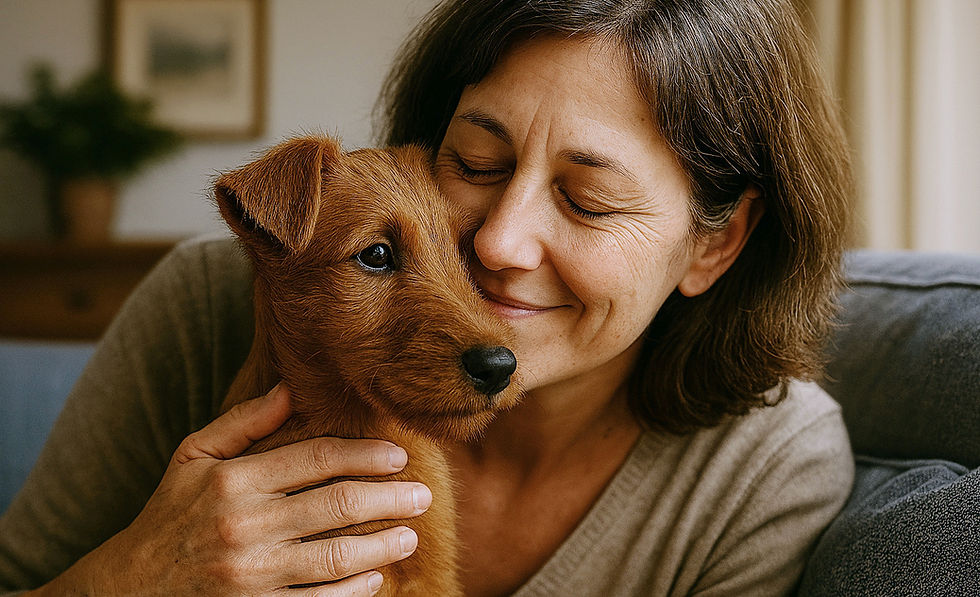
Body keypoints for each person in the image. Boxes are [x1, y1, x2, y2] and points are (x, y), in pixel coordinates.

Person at [0, 0, 854, 595]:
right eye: (476, 165)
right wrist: (132, 580)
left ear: (716, 242)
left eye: (587, 201)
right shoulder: (212, 297)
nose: (496, 242)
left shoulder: (765, 470)